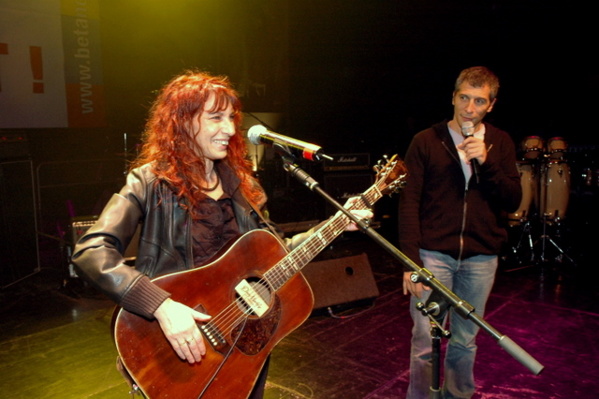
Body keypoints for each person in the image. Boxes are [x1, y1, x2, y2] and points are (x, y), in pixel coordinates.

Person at [71, 70, 371, 398]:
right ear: (183, 122)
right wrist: (161, 306)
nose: (229, 129)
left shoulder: (244, 189)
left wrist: (337, 226)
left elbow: (275, 254)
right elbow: (92, 249)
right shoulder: (149, 181)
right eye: (215, 118)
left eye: (231, 118)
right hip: (173, 345)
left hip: (240, 344)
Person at [398, 66, 522, 399]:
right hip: (432, 257)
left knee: (466, 340)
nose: (469, 108)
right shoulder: (426, 141)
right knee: (425, 341)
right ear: (453, 97)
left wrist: (487, 162)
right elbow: (410, 203)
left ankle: (458, 396)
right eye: (464, 97)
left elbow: (512, 200)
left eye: (479, 101)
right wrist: (410, 262)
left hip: (481, 259)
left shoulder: (500, 142)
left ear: (491, 105)